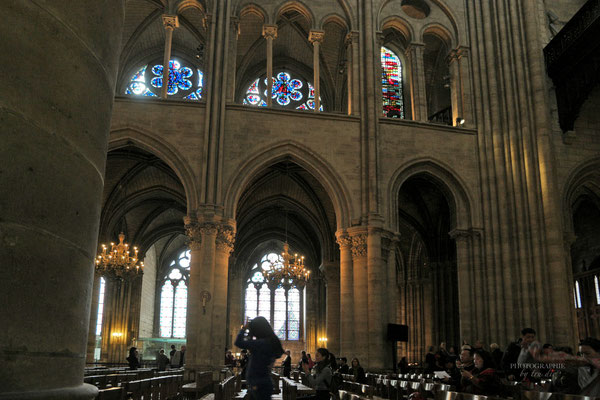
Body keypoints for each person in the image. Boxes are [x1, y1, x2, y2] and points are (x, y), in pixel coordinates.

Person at [234, 316, 284, 400]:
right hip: (261, 383)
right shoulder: (269, 342)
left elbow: (239, 342)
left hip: (259, 384)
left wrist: (244, 329)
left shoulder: (261, 344)